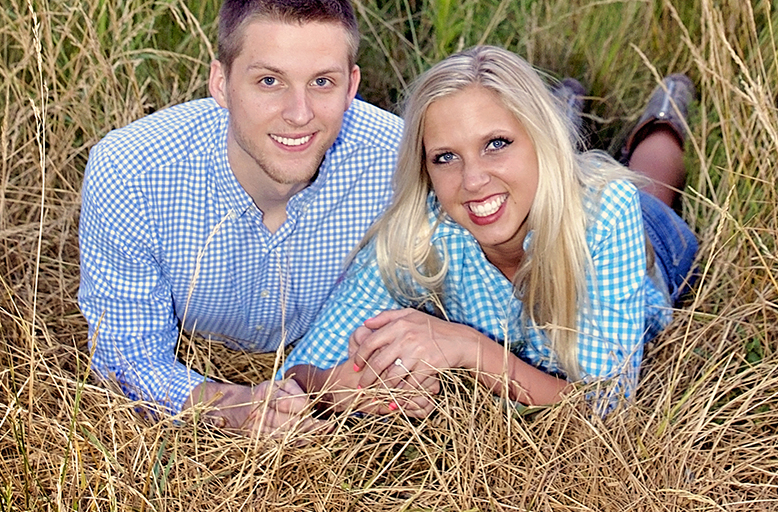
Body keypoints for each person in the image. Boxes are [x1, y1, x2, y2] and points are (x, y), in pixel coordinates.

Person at [278, 45, 700, 415]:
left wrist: (468, 348)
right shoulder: (420, 232)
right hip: (533, 184)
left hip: (649, 241)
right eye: (445, 157)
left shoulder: (608, 214)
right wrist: (339, 388)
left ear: (539, 140)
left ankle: (663, 121)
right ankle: (562, 107)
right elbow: (297, 374)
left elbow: (603, 408)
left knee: (653, 181)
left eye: (496, 143)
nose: (473, 179)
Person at [77, 0, 400, 427]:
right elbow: (125, 360)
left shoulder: (399, 163)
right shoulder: (132, 173)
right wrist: (237, 407)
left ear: (351, 86)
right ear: (221, 84)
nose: (299, 113)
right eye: (269, 81)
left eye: (322, 82)